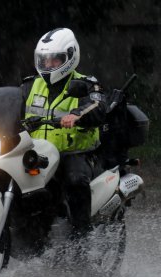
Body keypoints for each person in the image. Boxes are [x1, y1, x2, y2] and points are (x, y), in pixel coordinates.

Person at [20, 28, 109, 239]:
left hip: (75, 152)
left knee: (75, 181)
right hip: (39, 153)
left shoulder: (87, 84)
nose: (48, 65)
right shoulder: (31, 85)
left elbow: (98, 105)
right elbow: (11, 106)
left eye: (55, 60)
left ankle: (81, 238)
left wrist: (77, 114)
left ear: (70, 56)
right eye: (44, 60)